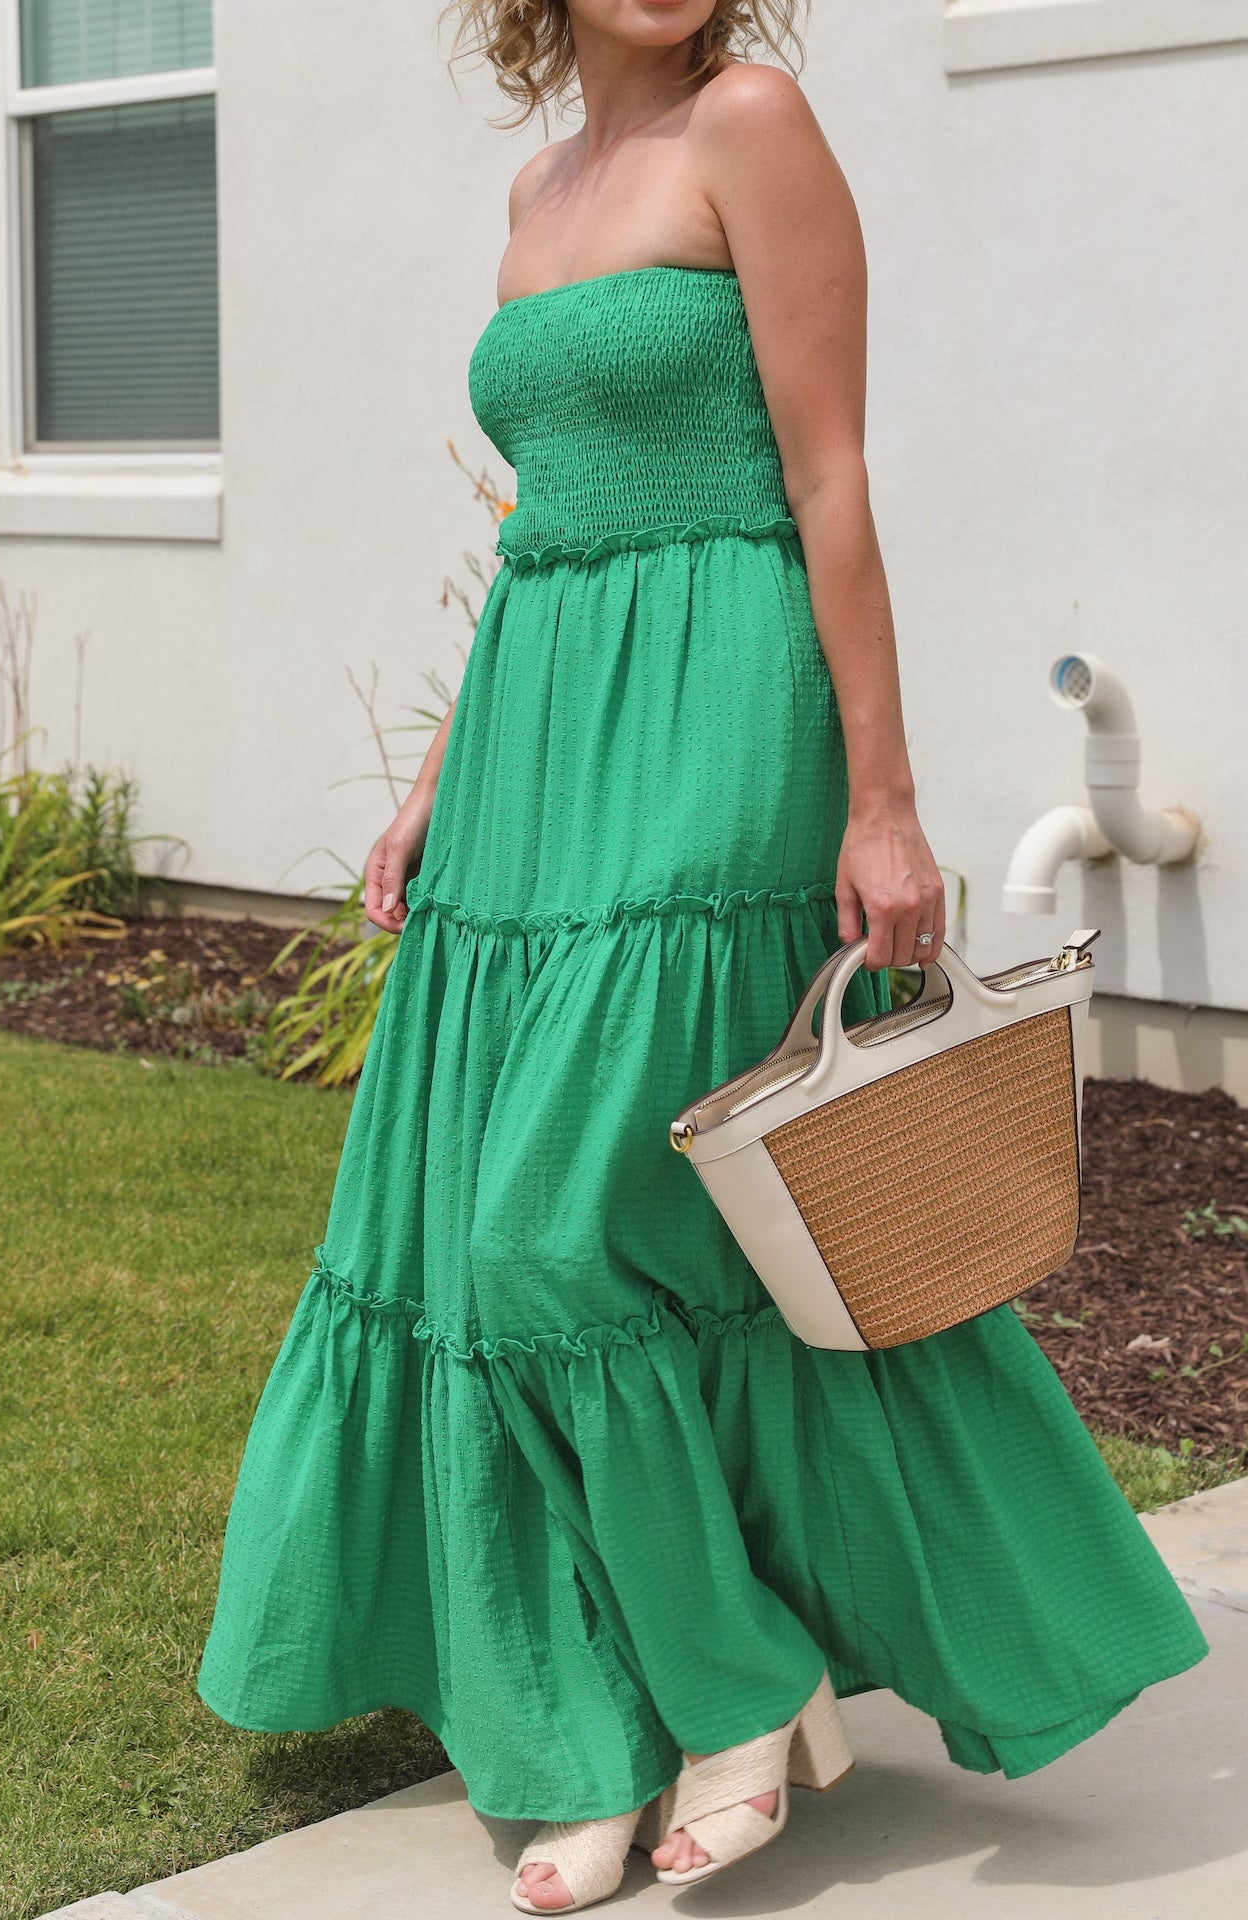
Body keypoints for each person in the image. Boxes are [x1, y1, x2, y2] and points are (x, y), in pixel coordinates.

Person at [196, 2, 1210, 1912]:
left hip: (718, 720)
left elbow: (829, 478)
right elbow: (540, 523)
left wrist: (885, 803)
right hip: (541, 744)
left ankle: (741, 1690)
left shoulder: (755, 121)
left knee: (544, 1233)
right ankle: (588, 1719)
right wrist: (435, 777)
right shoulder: (540, 185)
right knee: (488, 1254)